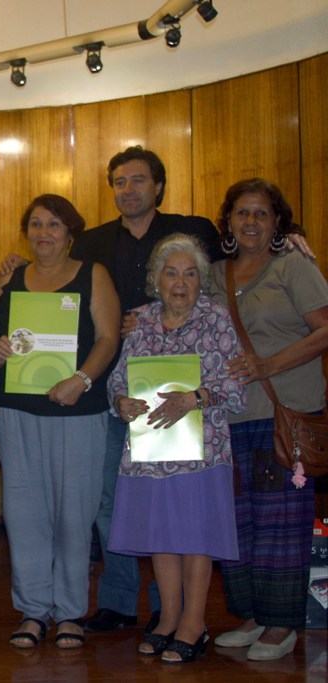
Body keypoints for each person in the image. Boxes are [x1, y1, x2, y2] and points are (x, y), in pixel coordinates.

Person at [71, 146, 221, 635]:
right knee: (112, 501)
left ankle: (167, 609)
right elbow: (66, 295)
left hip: (186, 398)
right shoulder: (91, 242)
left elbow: (236, 261)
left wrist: (290, 240)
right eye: (119, 181)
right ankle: (117, 602)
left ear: (158, 186)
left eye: (138, 180)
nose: (128, 189)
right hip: (117, 391)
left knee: (174, 506)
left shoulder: (193, 230)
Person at [0, 194, 119, 649]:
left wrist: (81, 380)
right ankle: (32, 611)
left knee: (74, 515)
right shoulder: (11, 279)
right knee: (24, 515)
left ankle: (69, 613)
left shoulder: (93, 274)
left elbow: (108, 338)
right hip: (18, 413)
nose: (43, 233)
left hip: (78, 412)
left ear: (70, 233)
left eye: (54, 225)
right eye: (36, 224)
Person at [107, 234, 246, 663]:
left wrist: (195, 397)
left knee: (195, 536)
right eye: (171, 273)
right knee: (162, 537)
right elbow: (118, 380)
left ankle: (194, 624)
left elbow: (236, 386)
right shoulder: (141, 320)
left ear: (201, 281)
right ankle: (167, 619)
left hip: (202, 451)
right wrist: (121, 402)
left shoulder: (216, 319)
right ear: (157, 279)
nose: (180, 283)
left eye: (189, 274)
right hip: (151, 452)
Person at [208, 179, 328, 661]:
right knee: (240, 522)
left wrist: (268, 366)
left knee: (282, 521)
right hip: (228, 416)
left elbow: (325, 330)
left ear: (278, 221)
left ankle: (282, 624)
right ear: (228, 221)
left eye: (262, 213)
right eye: (242, 212)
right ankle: (254, 615)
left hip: (284, 414)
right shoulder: (214, 274)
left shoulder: (293, 265)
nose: (251, 221)